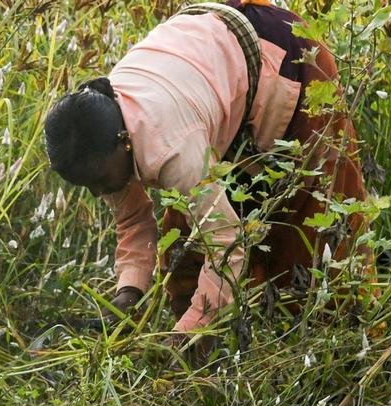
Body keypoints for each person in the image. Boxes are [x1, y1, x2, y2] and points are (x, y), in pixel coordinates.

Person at [43, 0, 369, 353]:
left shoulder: (172, 148)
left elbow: (226, 243)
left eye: (97, 181)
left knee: (311, 240)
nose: (97, 192)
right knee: (184, 251)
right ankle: (203, 361)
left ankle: (341, 351)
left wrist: (194, 329)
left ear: (124, 142)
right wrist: (127, 296)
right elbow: (133, 222)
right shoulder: (103, 131)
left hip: (291, 60)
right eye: (86, 186)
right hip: (221, 79)